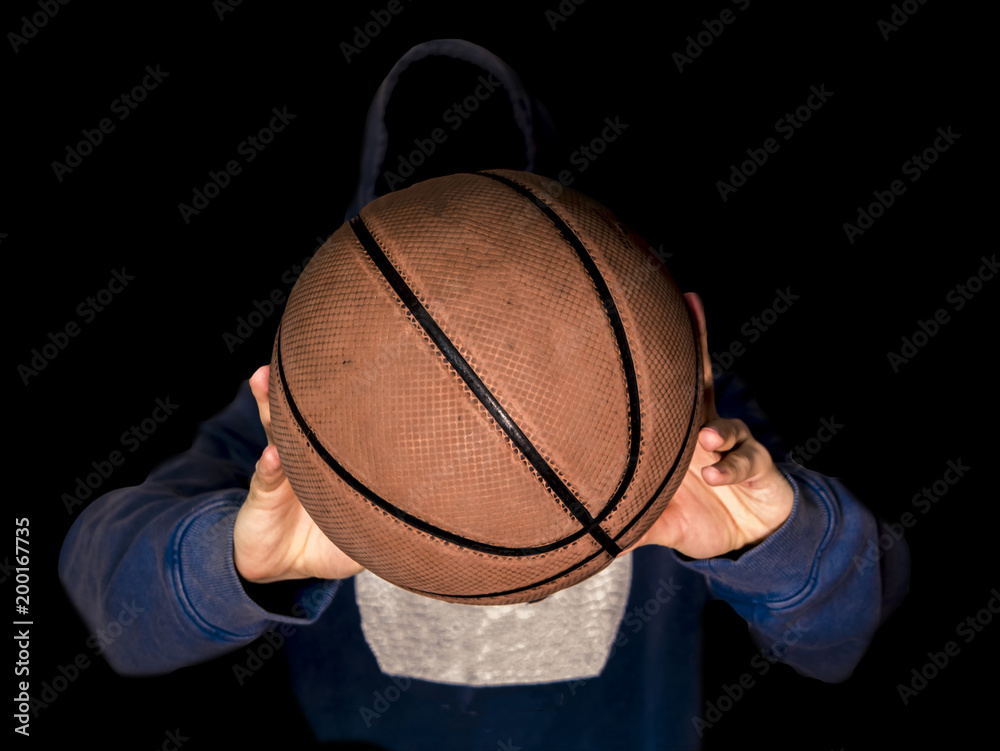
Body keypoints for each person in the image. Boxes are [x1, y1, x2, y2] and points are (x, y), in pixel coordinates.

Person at [59, 40, 910, 750]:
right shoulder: (296, 429)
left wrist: (778, 542)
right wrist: (234, 561)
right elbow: (112, 607)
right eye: (434, 307)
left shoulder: (691, 427)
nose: (467, 359)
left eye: (500, 287)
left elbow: (849, 635)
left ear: (687, 332)